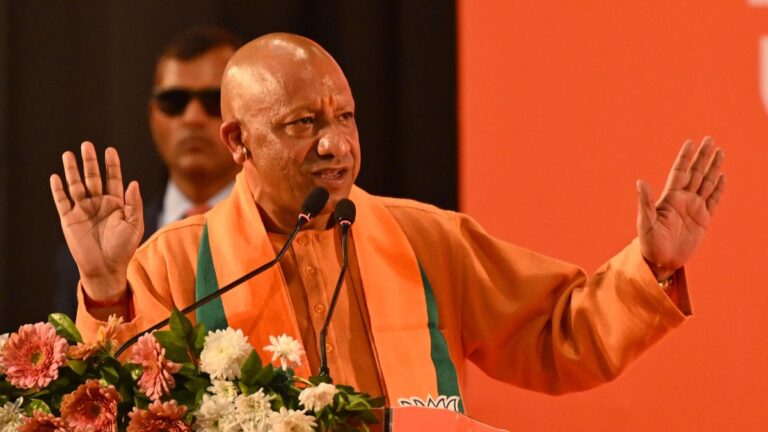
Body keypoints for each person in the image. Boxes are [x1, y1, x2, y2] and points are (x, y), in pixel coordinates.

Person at [49, 33, 725, 410]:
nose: (335, 143)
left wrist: (650, 266)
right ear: (238, 141)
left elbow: (558, 332)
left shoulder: (426, 238)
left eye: (344, 116)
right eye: (302, 123)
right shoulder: (173, 262)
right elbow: (130, 406)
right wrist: (106, 289)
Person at [53, 27, 242, 317]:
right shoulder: (88, 256)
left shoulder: (287, 236)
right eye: (173, 101)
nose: (192, 118)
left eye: (213, 101)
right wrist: (104, 287)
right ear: (153, 115)